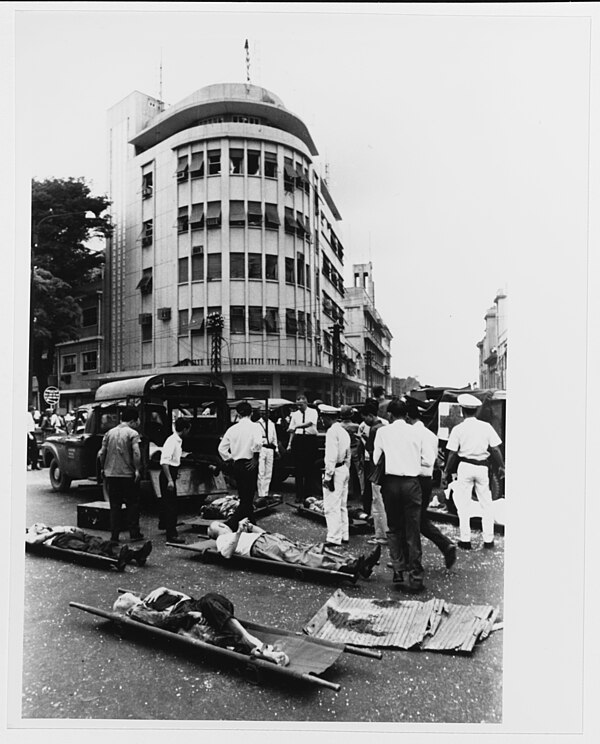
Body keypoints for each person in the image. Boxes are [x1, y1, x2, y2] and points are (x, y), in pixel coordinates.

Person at [113, 586, 289, 665]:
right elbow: (164, 623)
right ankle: (256, 646)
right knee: (208, 604)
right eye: (124, 599)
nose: (129, 596)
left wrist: (166, 589)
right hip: (196, 615)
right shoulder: (138, 612)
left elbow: (185, 597)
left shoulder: (151, 598)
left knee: (209, 599)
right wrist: (189, 615)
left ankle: (253, 644)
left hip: (203, 607)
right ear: (127, 606)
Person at [373, 399, 432, 594]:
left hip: (391, 484)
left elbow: (376, 459)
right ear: (406, 415)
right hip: (412, 484)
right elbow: (428, 460)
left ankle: (398, 570)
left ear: (390, 415)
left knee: (394, 527)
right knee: (412, 529)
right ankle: (415, 577)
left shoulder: (382, 432)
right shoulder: (417, 432)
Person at [207, 518, 381, 582]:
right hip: (262, 546)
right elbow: (227, 554)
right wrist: (238, 532)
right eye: (221, 525)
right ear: (219, 529)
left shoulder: (232, 535)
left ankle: (357, 564)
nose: (224, 525)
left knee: (314, 548)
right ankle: (348, 566)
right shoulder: (223, 539)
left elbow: (264, 533)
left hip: (268, 539)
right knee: (302, 557)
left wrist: (251, 527)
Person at [441, 393, 505, 550]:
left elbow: (453, 453)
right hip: (483, 467)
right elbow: (495, 449)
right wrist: (502, 466)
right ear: (476, 411)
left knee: (463, 505)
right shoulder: (486, 427)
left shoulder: (458, 429)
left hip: (465, 466)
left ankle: (465, 540)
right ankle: (488, 541)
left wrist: (446, 472)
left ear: (462, 411)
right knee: (486, 504)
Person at [406, 403, 457, 569]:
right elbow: (433, 460)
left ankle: (410, 560)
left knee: (410, 520)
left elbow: (424, 459)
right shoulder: (431, 435)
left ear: (407, 417)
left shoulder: (411, 434)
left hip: (414, 480)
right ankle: (445, 545)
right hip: (426, 481)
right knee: (419, 519)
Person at [98, 406, 144, 543]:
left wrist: (103, 468)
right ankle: (134, 533)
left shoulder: (109, 433)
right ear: (133, 420)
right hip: (127, 474)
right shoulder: (133, 434)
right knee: (132, 505)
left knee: (115, 506)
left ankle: (114, 536)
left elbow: (101, 453)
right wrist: (137, 469)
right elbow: (136, 453)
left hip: (111, 474)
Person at [25, 523, 152, 571]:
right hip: (59, 539)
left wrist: (73, 529)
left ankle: (136, 554)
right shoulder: (28, 534)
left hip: (70, 533)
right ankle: (118, 559)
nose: (38, 525)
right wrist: (54, 532)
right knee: (86, 548)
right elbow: (35, 542)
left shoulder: (44, 525)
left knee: (100, 542)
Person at [218, 401, 263, 529]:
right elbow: (258, 443)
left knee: (243, 495)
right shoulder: (255, 427)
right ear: (251, 413)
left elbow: (221, 448)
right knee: (248, 497)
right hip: (250, 463)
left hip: (238, 464)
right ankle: (232, 523)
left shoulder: (232, 429)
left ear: (237, 414)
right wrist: (255, 458)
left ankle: (251, 522)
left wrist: (230, 458)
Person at [320, 404, 351, 548]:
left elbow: (331, 456)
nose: (321, 421)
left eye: (323, 418)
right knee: (342, 505)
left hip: (335, 471)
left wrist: (328, 476)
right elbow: (348, 453)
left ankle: (333, 537)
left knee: (331, 506)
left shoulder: (332, 432)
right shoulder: (343, 431)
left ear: (328, 418)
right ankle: (344, 534)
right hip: (344, 468)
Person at [159, 417, 192, 544]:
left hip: (172, 472)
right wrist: (170, 480)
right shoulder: (172, 441)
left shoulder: (178, 441)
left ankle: (166, 527)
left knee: (169, 503)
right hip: (168, 473)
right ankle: (171, 535)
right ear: (184, 429)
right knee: (171, 505)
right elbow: (164, 462)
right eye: (188, 429)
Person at [360, 404, 388, 546]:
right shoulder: (384, 426)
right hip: (385, 470)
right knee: (383, 502)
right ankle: (386, 531)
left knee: (377, 504)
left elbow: (371, 450)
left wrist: (362, 439)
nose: (364, 420)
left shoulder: (374, 429)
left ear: (370, 415)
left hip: (375, 469)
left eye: (365, 417)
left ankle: (380, 535)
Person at [287, 393, 319, 503]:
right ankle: (299, 495)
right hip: (298, 440)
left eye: (301, 405)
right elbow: (292, 429)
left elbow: (310, 423)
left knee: (309, 469)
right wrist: (290, 444)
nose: (299, 407)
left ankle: (308, 495)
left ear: (306, 402)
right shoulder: (295, 414)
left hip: (310, 440)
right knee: (298, 470)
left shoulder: (313, 412)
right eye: (297, 405)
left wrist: (296, 426)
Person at [339, 405, 364, 503]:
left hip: (344, 450)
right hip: (355, 449)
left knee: (344, 471)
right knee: (359, 471)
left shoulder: (339, 426)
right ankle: (362, 491)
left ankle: (347, 491)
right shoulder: (356, 426)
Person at [256, 411, 278, 501]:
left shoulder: (272, 424)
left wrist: (276, 449)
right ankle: (261, 494)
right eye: (263, 413)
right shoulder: (257, 424)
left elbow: (274, 437)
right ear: (261, 414)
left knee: (268, 471)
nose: (265, 415)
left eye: (267, 413)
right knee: (261, 471)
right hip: (262, 448)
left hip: (270, 449)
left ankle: (266, 492)